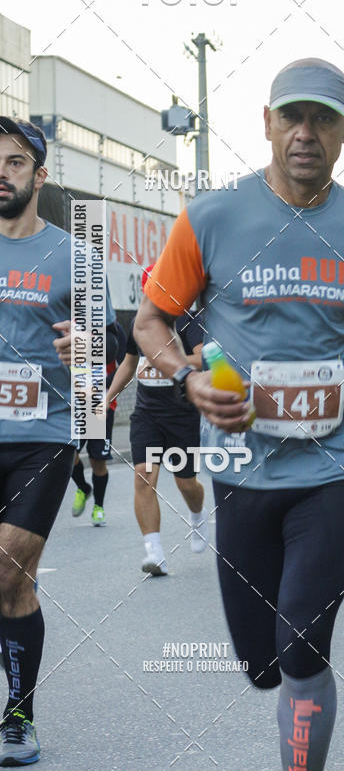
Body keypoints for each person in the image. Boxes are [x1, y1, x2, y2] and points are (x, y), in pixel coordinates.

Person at [133, 58, 344, 770]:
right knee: (263, 664)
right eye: (291, 116)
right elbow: (151, 320)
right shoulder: (211, 216)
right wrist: (187, 378)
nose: (305, 133)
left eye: (323, 119)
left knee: (301, 646)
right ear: (267, 123)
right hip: (242, 467)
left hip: (337, 464)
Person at [0, 117, 118, 763]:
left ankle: (18, 718)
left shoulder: (76, 256)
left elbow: (109, 340)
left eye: (14, 161)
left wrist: (88, 347)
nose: (1, 172)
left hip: (42, 437)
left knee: (8, 569)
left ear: (39, 176)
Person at [104, 265, 207, 575]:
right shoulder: (139, 323)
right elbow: (128, 364)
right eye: (150, 292)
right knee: (143, 476)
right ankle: (155, 552)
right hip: (147, 414)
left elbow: (204, 358)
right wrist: (107, 397)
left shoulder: (188, 321)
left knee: (186, 482)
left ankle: (197, 514)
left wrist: (169, 362)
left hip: (183, 414)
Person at [71, 320, 127, 526]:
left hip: (101, 405)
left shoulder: (113, 328)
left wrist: (100, 385)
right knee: (68, 453)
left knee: (98, 460)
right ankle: (83, 487)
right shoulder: (69, 324)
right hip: (75, 404)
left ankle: (99, 507)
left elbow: (126, 365)